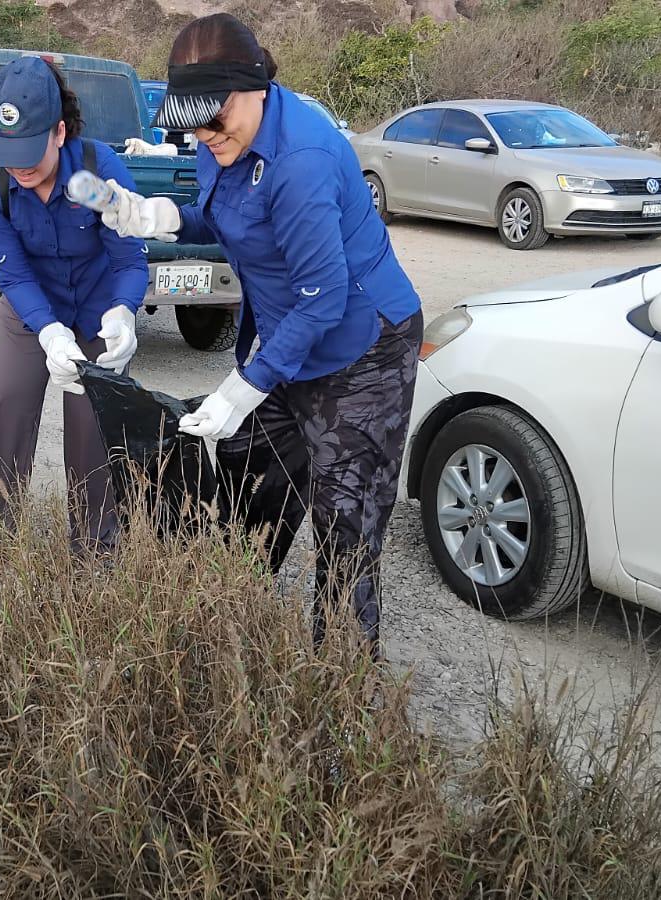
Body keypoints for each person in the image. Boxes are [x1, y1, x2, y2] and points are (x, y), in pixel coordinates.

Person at [100, 14, 423, 653]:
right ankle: (234, 622)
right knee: (249, 481)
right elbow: (230, 215)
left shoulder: (302, 159)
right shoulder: (219, 138)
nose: (204, 136)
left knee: (345, 519)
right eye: (193, 124)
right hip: (286, 339)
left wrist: (245, 385)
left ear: (255, 88)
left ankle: (340, 682)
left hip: (364, 350)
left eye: (215, 121)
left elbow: (323, 298)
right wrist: (164, 217)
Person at [0, 56, 149, 577]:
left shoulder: (96, 175)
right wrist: (49, 331)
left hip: (98, 306)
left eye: (30, 153)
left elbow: (128, 259)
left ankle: (96, 552)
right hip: (31, 306)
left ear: (59, 131)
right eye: (9, 156)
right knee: (7, 402)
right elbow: (11, 272)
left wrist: (124, 313)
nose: (20, 170)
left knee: (93, 421)